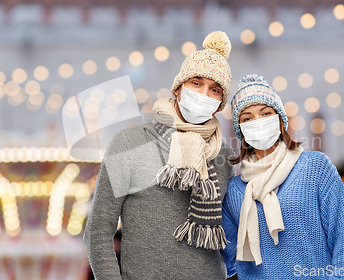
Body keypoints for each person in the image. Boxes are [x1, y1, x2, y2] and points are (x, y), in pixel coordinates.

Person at [84, 31, 236, 279]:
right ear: (178, 88)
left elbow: (231, 237)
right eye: (196, 83)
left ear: (220, 104)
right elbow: (98, 232)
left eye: (215, 90)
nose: (203, 95)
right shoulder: (128, 144)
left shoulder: (224, 156)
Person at [221, 74, 344, 279]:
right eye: (247, 118)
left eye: (265, 113)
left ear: (280, 120)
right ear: (241, 130)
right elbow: (225, 261)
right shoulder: (235, 190)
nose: (258, 122)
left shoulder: (315, 167)